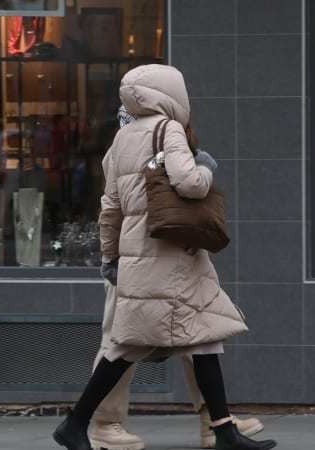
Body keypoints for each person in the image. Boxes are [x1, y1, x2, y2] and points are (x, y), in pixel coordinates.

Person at [52, 63, 278, 450]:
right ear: (173, 94)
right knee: (128, 346)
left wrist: (110, 257)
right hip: (170, 251)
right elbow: (189, 185)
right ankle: (77, 424)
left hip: (139, 253)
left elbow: (110, 207)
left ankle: (222, 430)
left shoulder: (121, 138)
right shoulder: (168, 129)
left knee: (203, 339)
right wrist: (206, 166)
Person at [88, 106, 265, 450]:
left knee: (197, 335)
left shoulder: (141, 141)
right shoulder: (132, 145)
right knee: (121, 340)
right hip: (140, 259)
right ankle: (103, 423)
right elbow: (126, 203)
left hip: (161, 255)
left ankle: (213, 419)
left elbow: (112, 209)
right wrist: (111, 259)